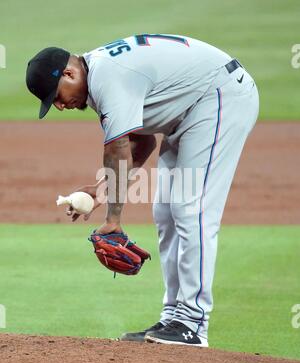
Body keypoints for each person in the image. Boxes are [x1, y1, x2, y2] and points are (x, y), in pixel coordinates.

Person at [26, 34, 259, 347]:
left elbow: (118, 148)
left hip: (220, 96)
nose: (59, 105)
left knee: (191, 209)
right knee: (165, 211)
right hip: (191, 111)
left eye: (56, 96)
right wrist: (100, 189)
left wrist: (113, 219)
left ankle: (193, 323)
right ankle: (174, 317)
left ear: (69, 74)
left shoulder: (107, 76)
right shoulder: (98, 79)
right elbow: (143, 139)